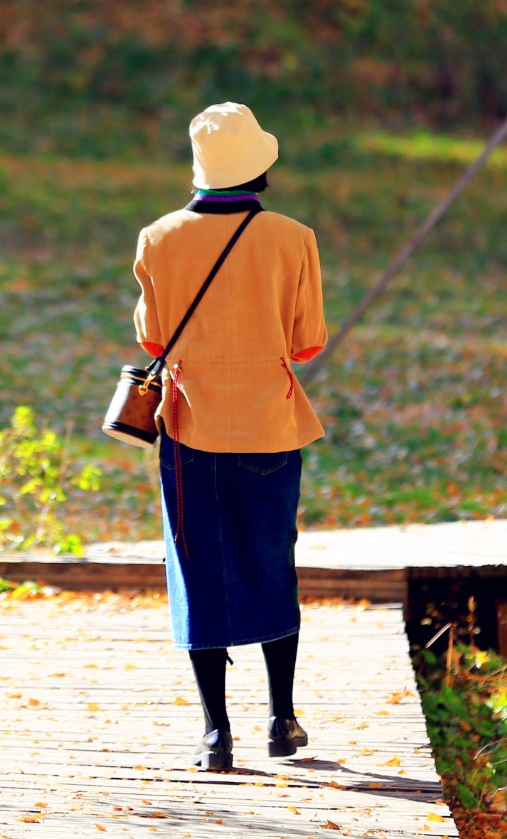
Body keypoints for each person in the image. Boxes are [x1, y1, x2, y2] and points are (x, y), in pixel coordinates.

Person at [132, 102, 328, 772]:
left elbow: (153, 338)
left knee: (199, 569)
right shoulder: (293, 237)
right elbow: (306, 343)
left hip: (190, 428)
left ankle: (217, 734)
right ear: (261, 165)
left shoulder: (157, 238)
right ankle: (283, 717)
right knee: (272, 559)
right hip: (269, 425)